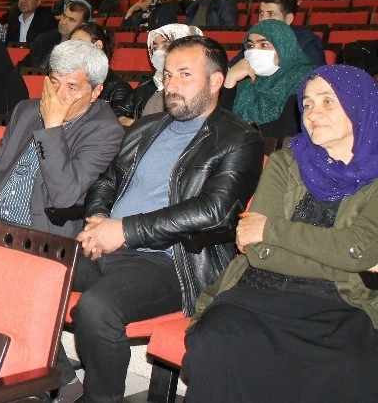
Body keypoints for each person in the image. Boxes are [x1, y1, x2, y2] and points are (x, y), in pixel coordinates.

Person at [54, 36, 263, 403]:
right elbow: (107, 179)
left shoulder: (239, 138)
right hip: (105, 245)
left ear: (215, 81)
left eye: (185, 75)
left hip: (171, 261)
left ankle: (100, 399)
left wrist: (125, 230)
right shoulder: (145, 127)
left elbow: (213, 210)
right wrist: (98, 217)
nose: (172, 86)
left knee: (97, 309)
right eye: (168, 75)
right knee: (25, 266)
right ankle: (55, 377)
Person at [184, 65, 378, 402]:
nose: (313, 113)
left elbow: (357, 249)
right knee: (214, 342)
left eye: (328, 102)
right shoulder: (285, 163)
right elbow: (259, 254)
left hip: (338, 307)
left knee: (349, 366)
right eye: (307, 104)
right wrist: (343, 257)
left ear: (359, 105)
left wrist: (272, 230)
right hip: (256, 294)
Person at [0, 40, 123, 237]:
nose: (59, 95)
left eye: (72, 87)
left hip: (37, 233)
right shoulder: (26, 110)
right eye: (54, 82)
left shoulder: (106, 131)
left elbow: (65, 196)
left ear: (96, 92)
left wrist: (52, 127)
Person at [221, 19, 315, 139]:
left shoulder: (305, 77)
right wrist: (229, 81)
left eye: (264, 45)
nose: (254, 51)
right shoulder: (246, 82)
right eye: (250, 46)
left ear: (283, 47)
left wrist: (238, 136)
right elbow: (218, 124)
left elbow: (288, 128)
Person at [124, 23, 203, 126]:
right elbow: (122, 110)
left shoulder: (197, 87)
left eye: (166, 46)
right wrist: (124, 120)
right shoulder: (149, 82)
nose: (158, 53)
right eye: (155, 48)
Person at [69, 22, 134, 120]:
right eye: (69, 46)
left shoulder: (118, 88)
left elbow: (114, 122)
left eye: (78, 45)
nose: (71, 51)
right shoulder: (63, 81)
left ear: (98, 46)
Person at [250, 0, 325, 67]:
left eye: (271, 14)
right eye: (261, 13)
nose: (263, 19)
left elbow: (317, 76)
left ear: (288, 19)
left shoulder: (307, 42)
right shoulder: (254, 39)